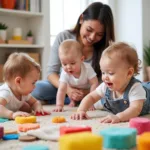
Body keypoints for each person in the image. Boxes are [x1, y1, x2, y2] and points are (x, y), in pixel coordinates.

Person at [32, 2, 115, 105]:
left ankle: (74, 101)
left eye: (99, 34)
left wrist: (87, 93)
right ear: (81, 19)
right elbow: (51, 73)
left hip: (91, 91)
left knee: (114, 94)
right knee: (37, 89)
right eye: (89, 30)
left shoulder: (106, 48)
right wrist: (68, 90)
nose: (92, 37)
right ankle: (69, 100)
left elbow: (105, 80)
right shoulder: (63, 37)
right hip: (62, 87)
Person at [71, 42, 150, 123]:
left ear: (129, 73)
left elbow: (135, 109)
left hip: (146, 93)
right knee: (101, 101)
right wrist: (81, 110)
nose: (105, 77)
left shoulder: (135, 88)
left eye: (111, 73)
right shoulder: (105, 86)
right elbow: (91, 97)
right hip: (113, 103)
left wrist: (119, 117)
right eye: (103, 72)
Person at [0, 53, 50, 120]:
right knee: (25, 107)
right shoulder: (6, 92)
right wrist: (12, 115)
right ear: (18, 81)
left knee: (27, 108)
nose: (35, 87)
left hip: (12, 107)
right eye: (33, 83)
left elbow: (35, 102)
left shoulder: (23, 92)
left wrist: (38, 108)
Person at [53, 39, 99, 112]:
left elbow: (94, 83)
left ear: (82, 59)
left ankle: (84, 101)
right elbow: (61, 89)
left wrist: (91, 102)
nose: (68, 67)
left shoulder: (87, 68)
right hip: (72, 93)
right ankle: (73, 101)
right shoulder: (64, 72)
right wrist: (59, 105)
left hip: (86, 93)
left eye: (72, 63)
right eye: (64, 64)